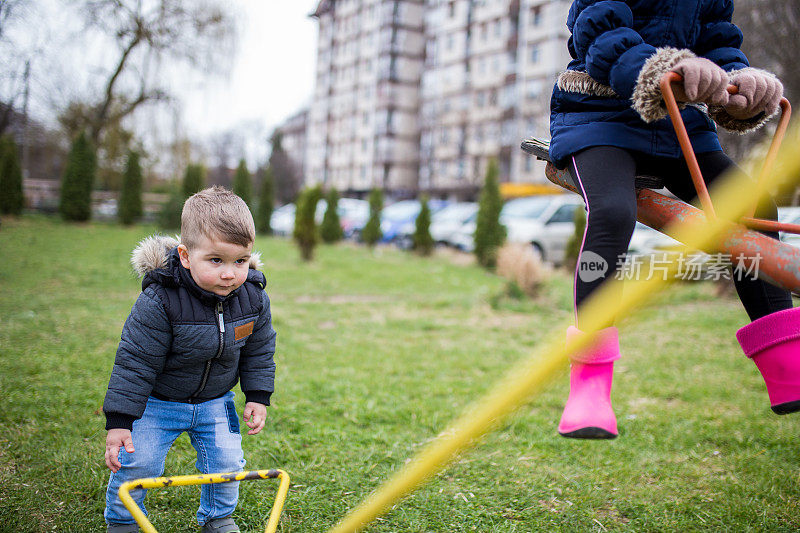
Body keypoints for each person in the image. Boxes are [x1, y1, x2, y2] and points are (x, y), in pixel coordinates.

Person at [549, 0, 800, 439]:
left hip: (677, 123)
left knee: (754, 208)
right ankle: (589, 385)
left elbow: (717, 37)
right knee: (613, 212)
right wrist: (666, 67)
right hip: (602, 117)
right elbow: (600, 32)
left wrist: (738, 80)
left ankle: (785, 363)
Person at [102, 186, 277, 532]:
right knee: (139, 463)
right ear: (184, 255)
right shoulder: (160, 300)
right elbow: (135, 361)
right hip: (158, 401)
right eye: (216, 261)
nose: (230, 274)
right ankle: (124, 522)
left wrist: (257, 395)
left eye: (240, 261)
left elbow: (259, 350)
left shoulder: (253, 298)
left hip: (216, 400)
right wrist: (120, 420)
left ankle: (218, 518)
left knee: (227, 463)